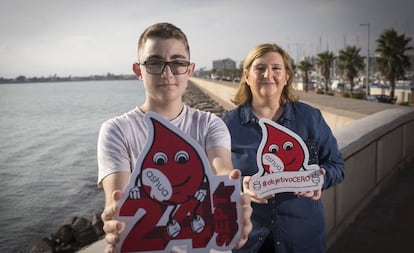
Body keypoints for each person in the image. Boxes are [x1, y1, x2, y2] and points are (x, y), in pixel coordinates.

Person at [97, 22, 252, 253]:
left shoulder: (210, 124)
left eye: (178, 63)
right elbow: (119, 201)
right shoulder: (116, 130)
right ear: (139, 70)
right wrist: (115, 220)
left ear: (189, 70)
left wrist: (234, 202)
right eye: (155, 63)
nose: (167, 73)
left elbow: (221, 169)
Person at [222, 43, 345, 253]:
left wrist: (321, 178)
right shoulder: (227, 124)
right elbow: (213, 178)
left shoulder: (310, 118)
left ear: (286, 76)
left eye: (276, 68)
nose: (268, 74)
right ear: (246, 76)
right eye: (259, 68)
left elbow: (337, 165)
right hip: (249, 240)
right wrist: (242, 185)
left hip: (303, 238)